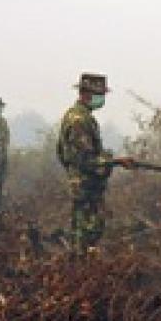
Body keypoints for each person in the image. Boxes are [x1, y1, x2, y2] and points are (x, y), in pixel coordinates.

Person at [56, 73, 134, 254]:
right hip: (86, 185)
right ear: (87, 94)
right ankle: (83, 269)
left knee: (83, 229)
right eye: (100, 95)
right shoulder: (79, 120)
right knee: (89, 230)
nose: (102, 99)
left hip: (83, 183)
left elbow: (63, 153)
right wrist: (115, 161)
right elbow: (85, 159)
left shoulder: (78, 116)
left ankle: (81, 267)